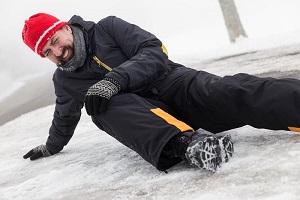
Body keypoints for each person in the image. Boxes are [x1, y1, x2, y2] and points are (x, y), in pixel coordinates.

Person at [21, 13, 300, 172]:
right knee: (100, 105)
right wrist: (51, 146)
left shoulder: (108, 28)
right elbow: (64, 116)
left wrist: (116, 79)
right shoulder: (64, 81)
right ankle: (189, 147)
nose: (58, 52)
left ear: (65, 28)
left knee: (234, 91)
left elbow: (155, 52)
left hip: (175, 84)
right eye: (48, 52)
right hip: (148, 123)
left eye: (56, 41)